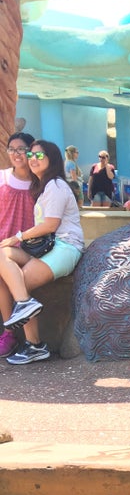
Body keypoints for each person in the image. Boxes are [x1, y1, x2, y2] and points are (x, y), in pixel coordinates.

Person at [0, 139, 84, 364]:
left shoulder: (56, 185)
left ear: (52, 159)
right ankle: (32, 341)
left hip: (65, 249)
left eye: (39, 155)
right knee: (3, 253)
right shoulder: (44, 186)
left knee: (17, 285)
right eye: (32, 155)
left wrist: (16, 237)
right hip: (49, 249)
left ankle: (35, 345)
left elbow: (50, 225)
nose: (33, 159)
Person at [0, 131, 36, 356]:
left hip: (28, 247)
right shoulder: (2, 177)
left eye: (21, 148)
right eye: (11, 149)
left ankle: (14, 334)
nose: (16, 153)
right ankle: (9, 332)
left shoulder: (40, 181)